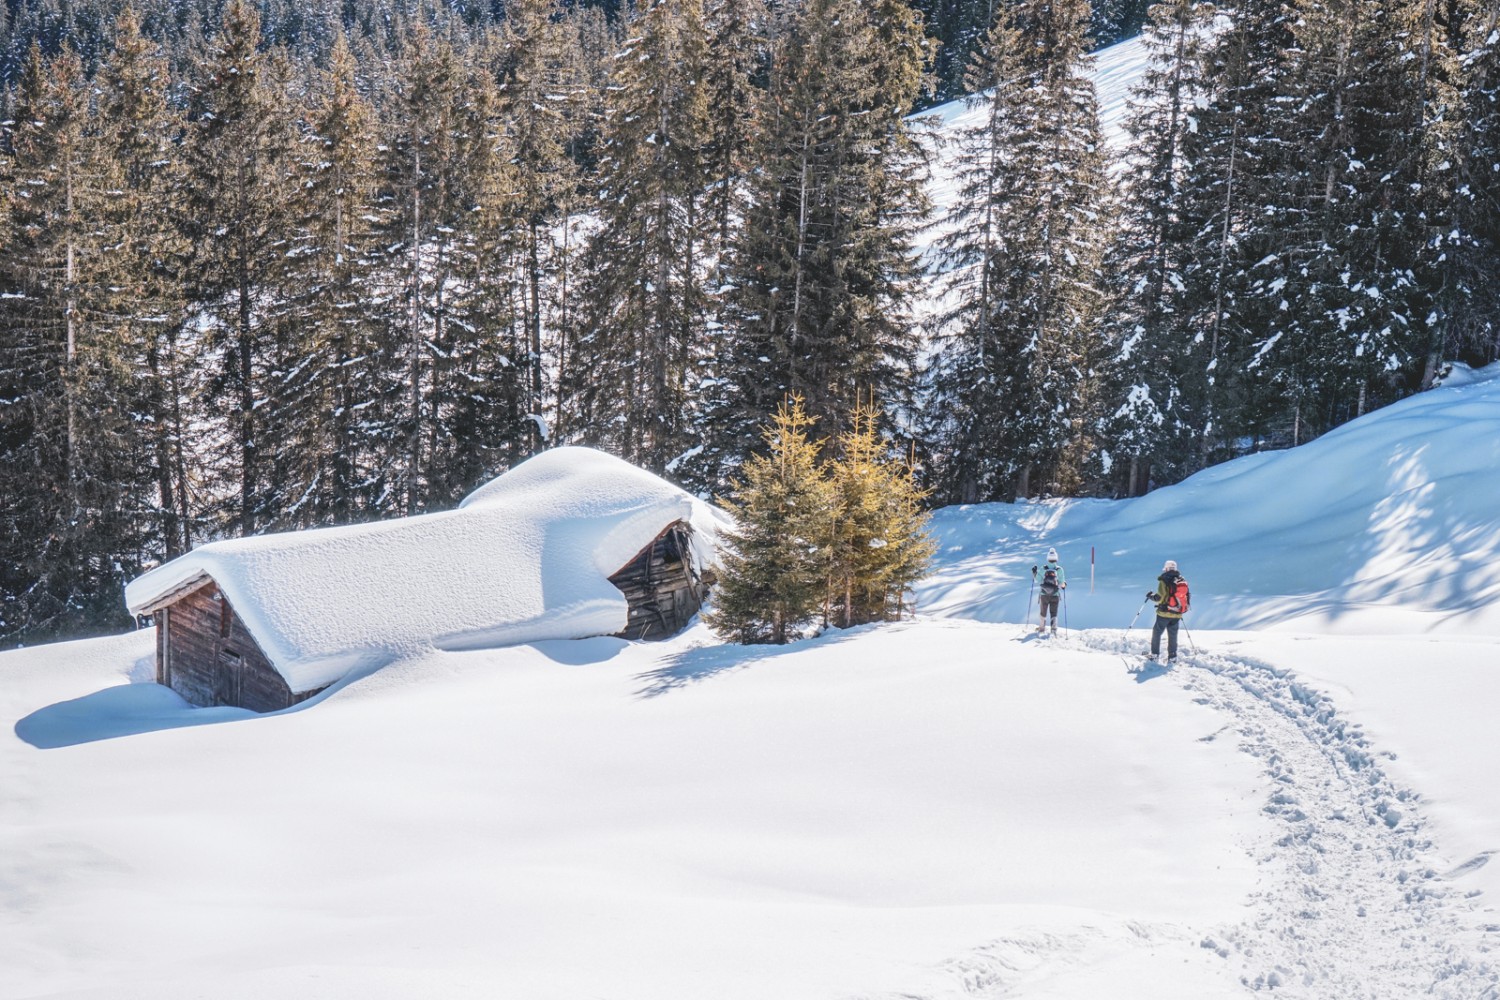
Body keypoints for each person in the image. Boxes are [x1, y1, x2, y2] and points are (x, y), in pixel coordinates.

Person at [1147, 559, 1185, 662]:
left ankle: (1154, 655)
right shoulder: (1181, 580)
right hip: (1177, 613)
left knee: (1157, 633)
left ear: (1166, 569)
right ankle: (1172, 657)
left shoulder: (1164, 580)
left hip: (1164, 613)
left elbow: (1160, 597)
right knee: (1173, 635)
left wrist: (1151, 596)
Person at [1034, 547, 1066, 633]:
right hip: (1055, 595)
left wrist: (1034, 572)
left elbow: (1038, 580)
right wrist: (1063, 585)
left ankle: (1041, 628)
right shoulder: (1059, 570)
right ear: (1056, 558)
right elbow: (1062, 583)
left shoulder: (1043, 568)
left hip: (1044, 594)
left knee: (1043, 611)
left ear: (1048, 558)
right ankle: (1053, 629)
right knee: (1054, 612)